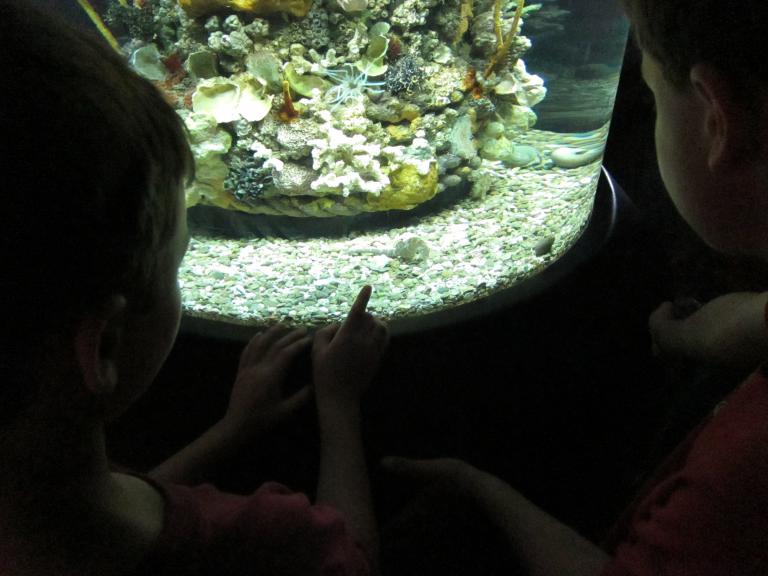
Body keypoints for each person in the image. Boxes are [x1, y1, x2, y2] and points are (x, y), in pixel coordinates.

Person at [0, 2, 388, 575]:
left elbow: (110, 502)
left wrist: (230, 430)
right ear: (105, 346)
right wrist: (338, 403)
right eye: (179, 263)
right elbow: (354, 559)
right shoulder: (264, 540)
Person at [384, 0, 768, 574]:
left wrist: (480, 490)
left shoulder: (731, 492)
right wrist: (688, 336)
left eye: (654, 98)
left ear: (716, 120)